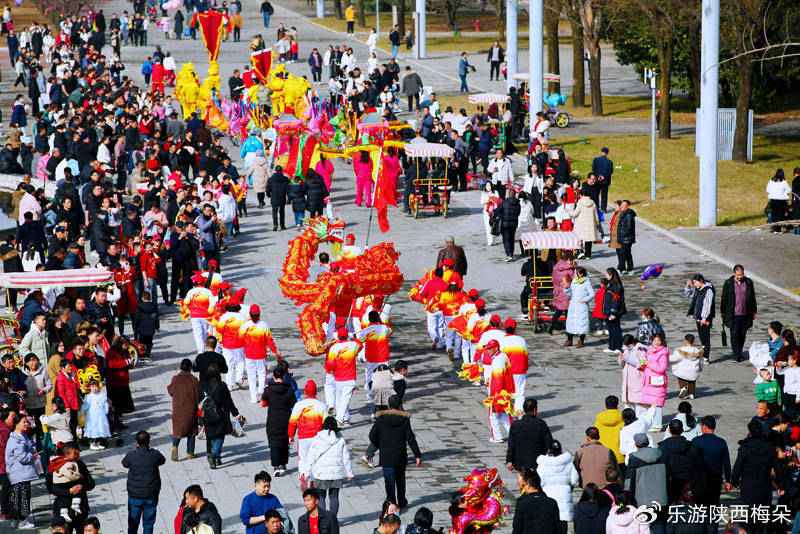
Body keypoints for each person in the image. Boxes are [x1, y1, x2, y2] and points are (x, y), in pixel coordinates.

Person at [368, 395, 422, 508]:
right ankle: (402, 500)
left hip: (386, 455)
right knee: (400, 479)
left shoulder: (381, 419)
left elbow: (372, 435)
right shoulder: (404, 419)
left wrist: (379, 444)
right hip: (400, 455)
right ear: (399, 405)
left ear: (388, 405)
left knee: (389, 481)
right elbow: (410, 438)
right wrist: (417, 454)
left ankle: (391, 501)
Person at [303, 417, 353, 522]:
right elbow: (346, 457)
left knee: (321, 497)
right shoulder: (340, 440)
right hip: (337, 474)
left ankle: (322, 519)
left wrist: (306, 472)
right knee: (334, 497)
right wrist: (349, 472)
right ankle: (333, 520)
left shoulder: (317, 439)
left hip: (321, 474)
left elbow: (311, 457)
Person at [122, 431, 166, 534]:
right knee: (148, 524)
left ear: (136, 442)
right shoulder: (154, 454)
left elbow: (124, 463)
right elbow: (162, 460)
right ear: (149, 441)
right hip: (151, 495)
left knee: (133, 524)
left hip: (135, 496)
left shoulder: (132, 455)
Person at [200, 365, 241, 469]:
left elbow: (198, 401)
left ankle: (215, 455)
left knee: (211, 436)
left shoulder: (203, 385)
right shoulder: (222, 386)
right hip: (221, 415)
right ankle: (214, 455)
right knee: (220, 437)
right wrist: (235, 413)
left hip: (207, 415)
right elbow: (228, 401)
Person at [690, 415, 732, 515]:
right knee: (713, 507)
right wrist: (728, 480)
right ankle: (712, 528)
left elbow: (691, 462)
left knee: (699, 509)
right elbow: (726, 463)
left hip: (699, 482)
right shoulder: (721, 442)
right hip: (715, 481)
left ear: (704, 426)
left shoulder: (696, 442)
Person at [537, 441, 580, 534]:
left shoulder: (543, 464)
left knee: (549, 525)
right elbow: (575, 481)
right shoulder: (568, 463)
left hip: (548, 496)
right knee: (562, 525)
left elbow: (539, 482)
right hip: (564, 496)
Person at [261, 367, 297, 477]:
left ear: (273, 377)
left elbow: (263, 402)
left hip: (272, 419)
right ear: (283, 377)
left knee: (274, 443)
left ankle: (276, 466)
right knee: (284, 442)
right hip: (286, 419)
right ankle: (283, 463)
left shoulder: (268, 390)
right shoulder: (289, 390)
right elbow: (294, 405)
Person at [4, 414, 38, 529]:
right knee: (23, 497)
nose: (26, 424)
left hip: (20, 473)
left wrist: (32, 449)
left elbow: (31, 446)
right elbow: (23, 457)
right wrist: (32, 455)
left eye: (27, 422)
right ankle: (23, 521)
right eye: (24, 422)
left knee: (17, 497)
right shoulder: (16, 439)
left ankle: (16, 521)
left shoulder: (21, 435)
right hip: (19, 473)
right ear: (16, 424)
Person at [720, 264, 757, 362]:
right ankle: (736, 354)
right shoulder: (728, 283)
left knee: (742, 335)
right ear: (734, 273)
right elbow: (724, 299)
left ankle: (739, 351)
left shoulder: (749, 282)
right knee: (734, 335)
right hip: (733, 315)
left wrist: (754, 311)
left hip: (745, 314)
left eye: (742, 275)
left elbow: (752, 297)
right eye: (738, 275)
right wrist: (723, 312)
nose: (740, 277)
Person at [506, 397, 553, 471]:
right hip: (537, 463)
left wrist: (509, 460)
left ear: (524, 410)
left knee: (523, 481)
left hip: (519, 463)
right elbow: (549, 443)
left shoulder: (515, 425)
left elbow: (511, 445)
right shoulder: (541, 424)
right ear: (535, 410)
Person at [167, 359, 200, 461]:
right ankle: (190, 453)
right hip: (191, 409)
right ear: (190, 368)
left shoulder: (175, 379)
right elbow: (198, 396)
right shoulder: (194, 380)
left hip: (178, 409)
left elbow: (171, 391)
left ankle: (175, 447)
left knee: (178, 431)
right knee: (192, 432)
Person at [511, 468, 560, 534]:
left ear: (526, 483)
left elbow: (517, 528)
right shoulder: (552, 502)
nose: (517, 482)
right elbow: (558, 528)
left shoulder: (522, 503)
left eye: (519, 479)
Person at [640, 333, 668, 431]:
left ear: (662, 341)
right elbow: (646, 363)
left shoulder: (663, 353)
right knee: (649, 403)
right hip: (648, 380)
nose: (656, 342)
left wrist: (649, 364)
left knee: (657, 404)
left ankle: (657, 425)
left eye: (658, 340)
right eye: (655, 340)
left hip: (657, 382)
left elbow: (662, 368)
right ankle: (651, 423)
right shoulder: (649, 350)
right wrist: (642, 364)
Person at [685, 274, 715, 364]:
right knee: (702, 337)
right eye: (693, 283)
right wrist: (688, 286)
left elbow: (707, 305)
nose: (694, 285)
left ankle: (706, 357)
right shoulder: (698, 289)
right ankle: (704, 354)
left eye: (695, 282)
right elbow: (689, 295)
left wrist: (704, 318)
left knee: (705, 337)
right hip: (698, 318)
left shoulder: (708, 290)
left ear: (701, 281)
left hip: (705, 319)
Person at [565, 267, 594, 347]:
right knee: (571, 322)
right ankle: (569, 340)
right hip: (573, 305)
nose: (577, 274)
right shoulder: (574, 281)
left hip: (581, 306)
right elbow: (570, 293)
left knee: (582, 323)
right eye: (576, 273)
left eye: (578, 273)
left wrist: (585, 300)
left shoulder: (586, 282)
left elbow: (592, 294)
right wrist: (567, 289)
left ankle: (581, 340)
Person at [669, 334, 703, 400]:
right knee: (692, 381)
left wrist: (666, 358)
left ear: (685, 341)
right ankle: (691, 393)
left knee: (681, 378)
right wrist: (700, 369)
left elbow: (674, 358)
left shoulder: (680, 350)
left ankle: (683, 388)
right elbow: (701, 362)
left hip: (682, 371)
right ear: (693, 341)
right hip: (693, 371)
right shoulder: (697, 351)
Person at [593, 396, 624, 465]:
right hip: (620, 457)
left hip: (603, 455)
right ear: (617, 404)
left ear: (605, 405)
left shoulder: (599, 419)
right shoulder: (622, 418)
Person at [603, 269, 626, 353]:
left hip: (614, 311)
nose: (605, 275)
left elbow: (616, 300)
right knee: (611, 329)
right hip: (608, 310)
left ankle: (618, 347)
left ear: (611, 275)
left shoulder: (616, 286)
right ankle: (612, 346)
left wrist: (613, 313)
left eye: (606, 273)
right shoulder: (611, 284)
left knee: (615, 329)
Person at [497, 189, 521, 262]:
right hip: (514, 224)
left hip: (505, 224)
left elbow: (499, 211)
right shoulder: (518, 203)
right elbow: (518, 213)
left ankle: (509, 254)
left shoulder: (505, 202)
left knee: (506, 239)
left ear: (509, 194)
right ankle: (511, 253)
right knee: (511, 239)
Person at [267, 166, 289, 231]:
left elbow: (268, 188)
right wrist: (289, 197)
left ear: (275, 170)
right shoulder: (285, 179)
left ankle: (275, 225)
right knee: (282, 211)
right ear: (282, 170)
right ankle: (282, 225)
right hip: (282, 196)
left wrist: (268, 195)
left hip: (274, 197)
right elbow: (288, 189)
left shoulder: (271, 179)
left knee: (274, 211)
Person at [616, 200, 635, 274]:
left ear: (627, 206)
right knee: (626, 253)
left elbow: (628, 228)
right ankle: (628, 268)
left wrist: (622, 235)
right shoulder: (623, 213)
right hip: (623, 238)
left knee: (624, 253)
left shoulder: (628, 215)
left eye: (623, 206)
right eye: (621, 205)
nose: (621, 207)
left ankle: (622, 269)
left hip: (626, 239)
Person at [591, 147, 613, 212]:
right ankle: (603, 208)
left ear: (601, 152)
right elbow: (610, 171)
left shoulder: (596, 160)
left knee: (596, 194)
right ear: (607, 153)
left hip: (597, 180)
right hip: (605, 181)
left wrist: (598, 176)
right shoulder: (609, 162)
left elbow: (593, 169)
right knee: (604, 195)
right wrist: (604, 176)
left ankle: (596, 207)